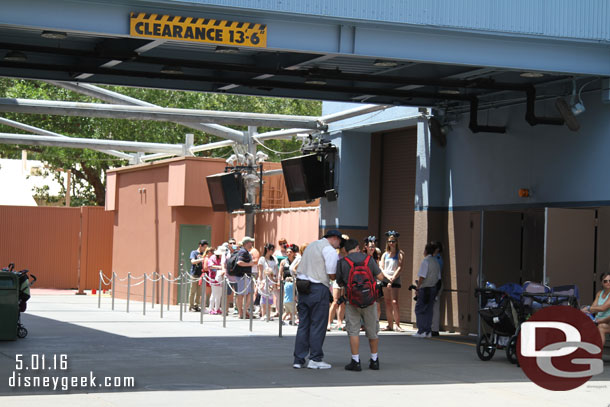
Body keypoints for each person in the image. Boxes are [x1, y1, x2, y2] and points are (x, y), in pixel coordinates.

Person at [292, 230, 342, 369]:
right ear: (335, 238)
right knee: (318, 325)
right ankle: (315, 358)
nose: (339, 245)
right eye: (339, 242)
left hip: (302, 287)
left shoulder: (312, 245)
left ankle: (298, 359)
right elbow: (332, 274)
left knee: (303, 324)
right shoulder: (329, 250)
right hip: (318, 287)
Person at [336, 239, 385, 371]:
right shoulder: (369, 259)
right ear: (358, 247)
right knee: (372, 330)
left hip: (352, 301)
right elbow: (380, 276)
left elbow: (340, 282)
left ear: (345, 250)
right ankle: (374, 360)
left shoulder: (342, 262)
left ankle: (355, 361)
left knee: (353, 331)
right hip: (370, 300)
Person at [413, 242, 441, 338]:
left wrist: (418, 287)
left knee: (419, 309)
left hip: (425, 288)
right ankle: (428, 331)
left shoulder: (426, 261)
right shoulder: (436, 262)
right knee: (429, 310)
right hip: (433, 288)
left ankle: (421, 331)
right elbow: (438, 277)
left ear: (426, 251)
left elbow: (422, 277)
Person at [380, 231, 404, 331]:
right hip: (386, 278)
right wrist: (387, 277)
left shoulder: (400, 253)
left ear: (396, 242)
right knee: (388, 302)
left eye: (393, 241)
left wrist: (393, 278)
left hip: (395, 279)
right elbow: (381, 267)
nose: (391, 243)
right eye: (390, 241)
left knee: (395, 302)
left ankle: (397, 324)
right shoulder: (385, 254)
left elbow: (400, 267)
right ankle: (390, 325)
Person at [581, 271, 610, 346]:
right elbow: (593, 307)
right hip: (597, 320)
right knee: (583, 324)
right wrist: (586, 311)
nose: (608, 283)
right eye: (605, 281)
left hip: (607, 321)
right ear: (601, 283)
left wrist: (588, 308)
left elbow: (603, 308)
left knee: (601, 327)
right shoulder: (599, 293)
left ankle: (598, 354)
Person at [235, 236, 257, 319]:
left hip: (246, 275)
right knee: (241, 294)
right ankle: (241, 313)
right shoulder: (242, 252)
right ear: (247, 243)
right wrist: (250, 264)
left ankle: (244, 310)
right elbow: (239, 262)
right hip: (242, 276)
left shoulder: (246, 251)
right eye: (251, 242)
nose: (252, 243)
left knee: (250, 293)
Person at [258, 243, 279, 320]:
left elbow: (276, 270)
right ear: (268, 250)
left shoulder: (274, 259)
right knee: (264, 298)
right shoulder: (262, 259)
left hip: (272, 281)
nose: (273, 251)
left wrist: (276, 280)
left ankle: (268, 315)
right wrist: (261, 281)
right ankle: (263, 314)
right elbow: (260, 271)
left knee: (270, 298)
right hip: (264, 280)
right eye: (271, 249)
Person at [189, 240, 208, 312]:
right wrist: (201, 259)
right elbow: (193, 261)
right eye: (204, 247)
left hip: (201, 275)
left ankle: (196, 305)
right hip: (194, 274)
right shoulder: (194, 252)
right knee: (192, 290)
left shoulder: (204, 253)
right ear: (200, 245)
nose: (205, 249)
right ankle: (191, 306)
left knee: (199, 292)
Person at [431, 241, 444, 336]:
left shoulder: (436, 259)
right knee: (434, 306)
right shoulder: (437, 258)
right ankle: (433, 328)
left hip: (435, 283)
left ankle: (434, 328)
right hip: (435, 283)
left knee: (434, 307)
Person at [207, 247, 224, 315]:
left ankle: (217, 308)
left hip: (220, 277)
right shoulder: (212, 258)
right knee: (214, 293)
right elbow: (210, 266)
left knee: (219, 294)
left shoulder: (222, 258)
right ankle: (210, 308)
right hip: (213, 277)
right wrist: (219, 267)